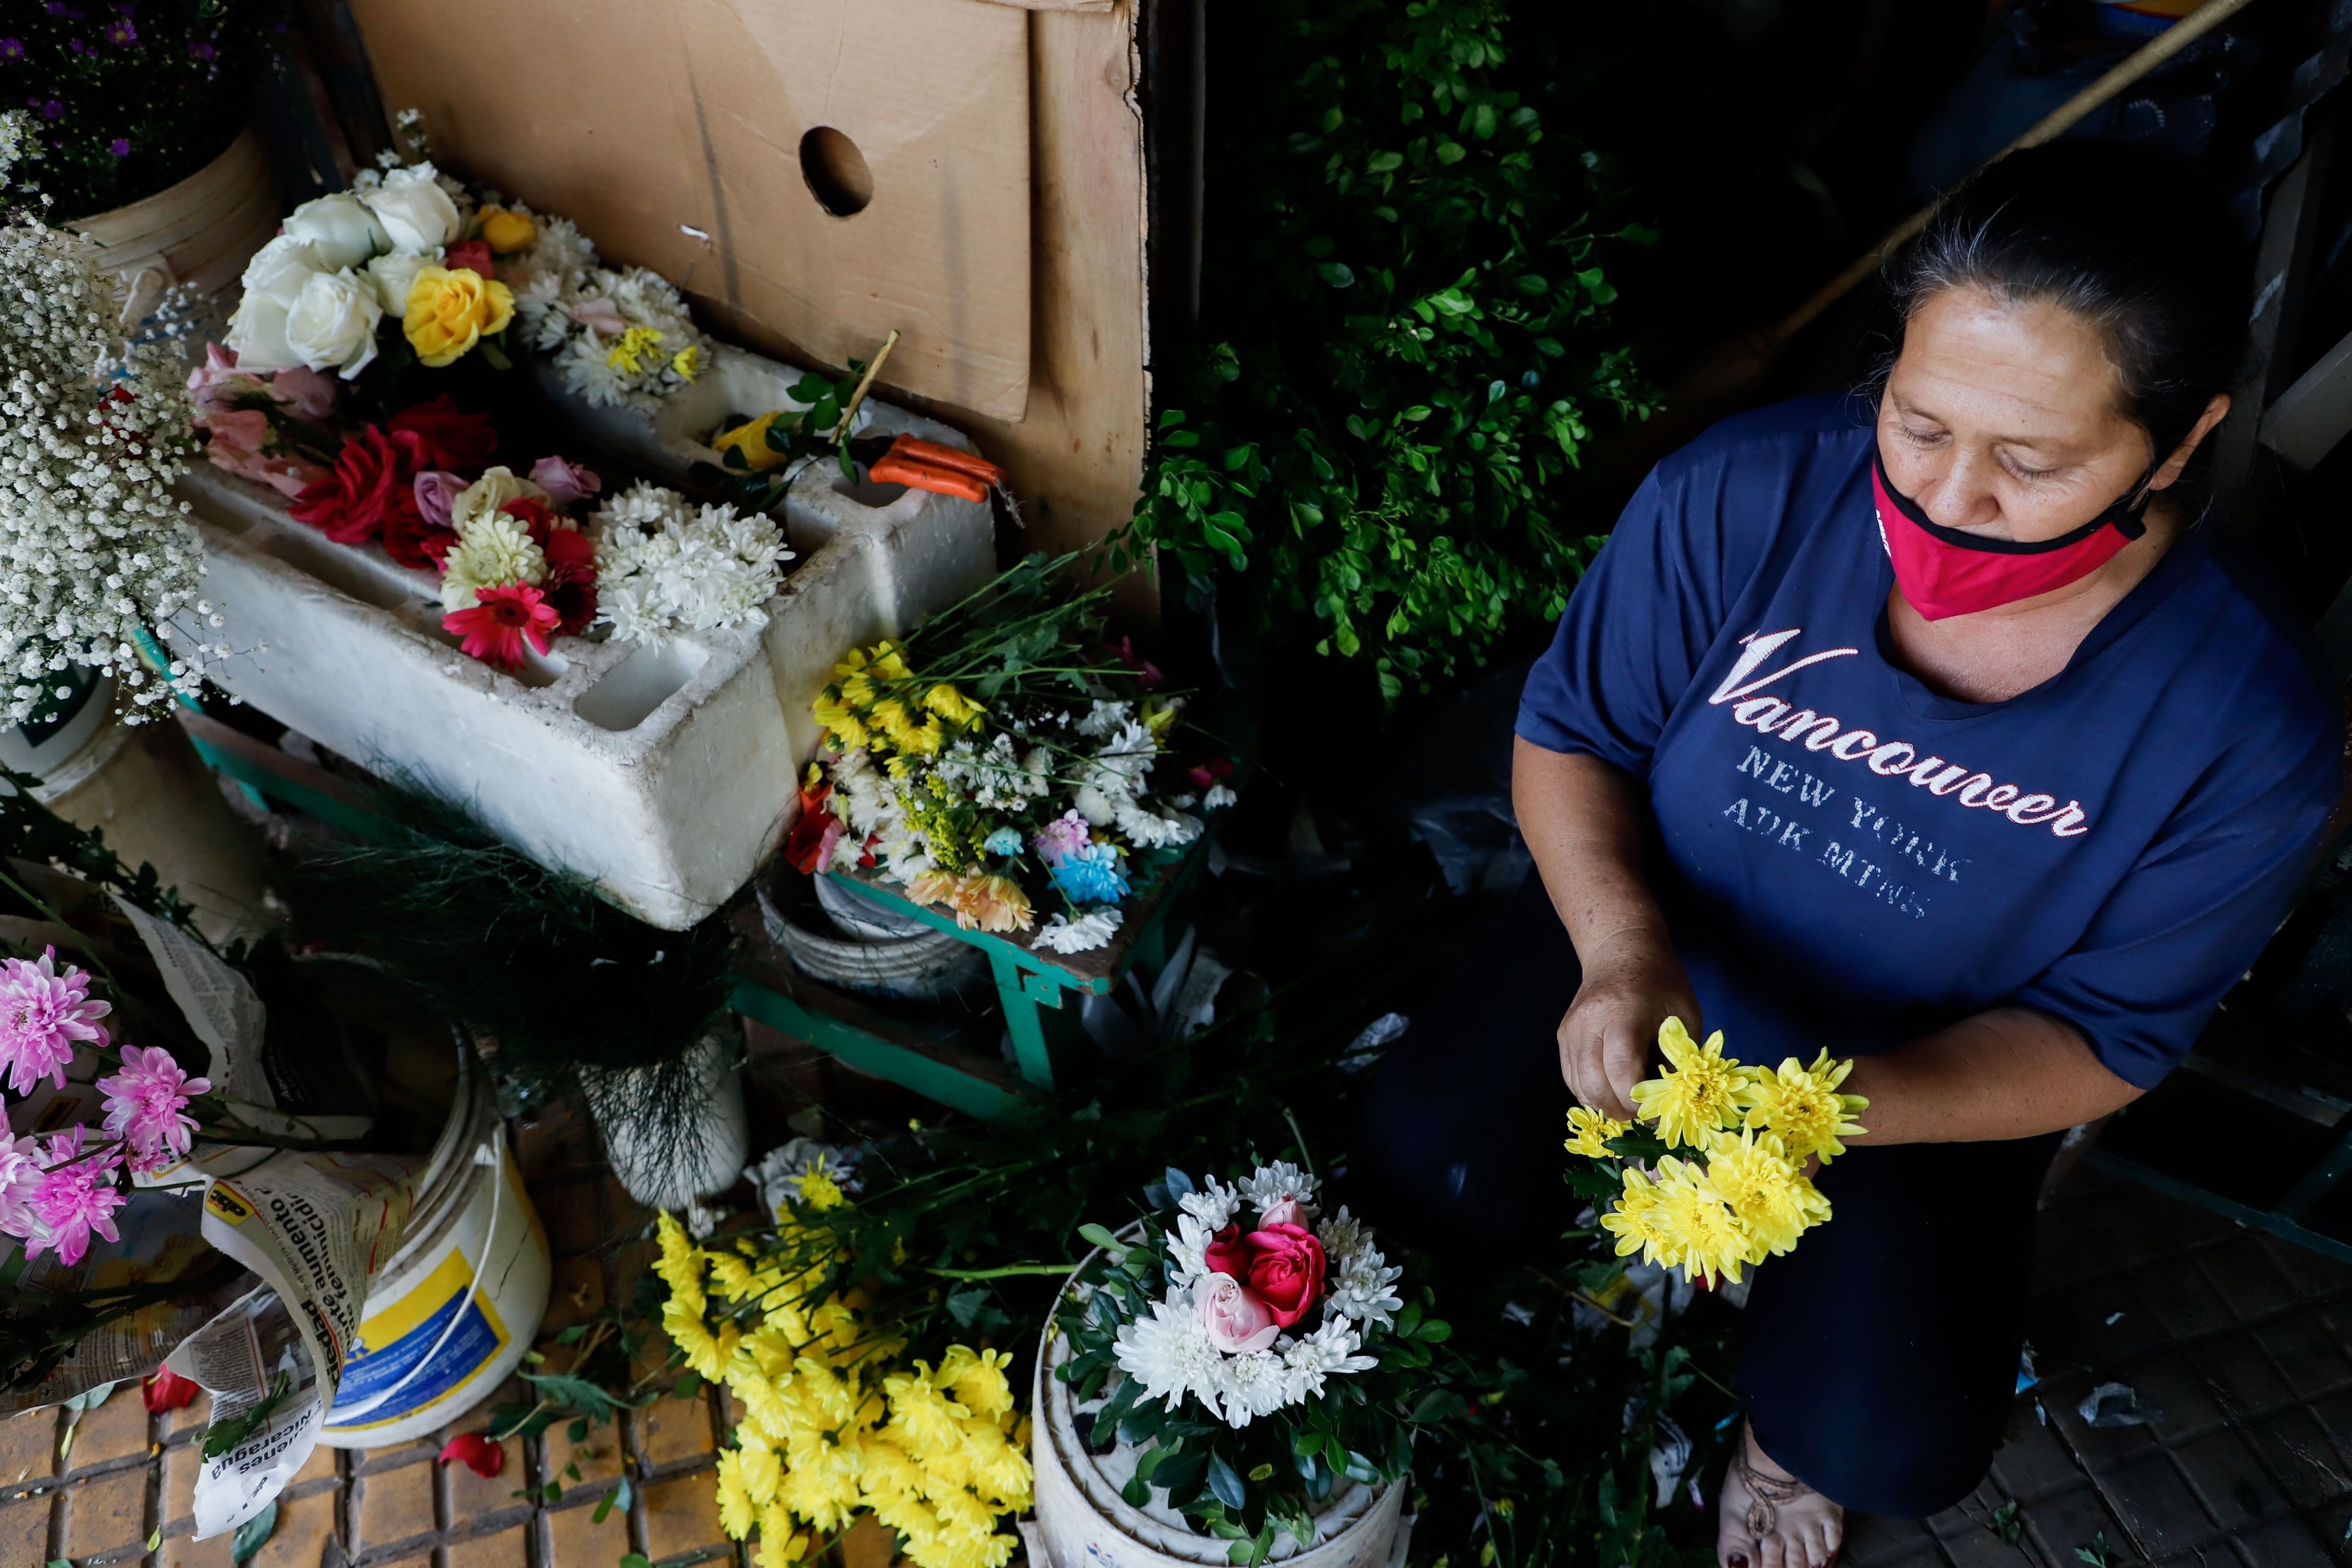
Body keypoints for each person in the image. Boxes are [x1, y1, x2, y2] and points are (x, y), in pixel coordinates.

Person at [1511, 141, 2341, 1568]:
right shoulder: (1746, 495)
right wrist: (1619, 953)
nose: (1948, 498)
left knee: (1889, 1443)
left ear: (2184, 439)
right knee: (1425, 1165)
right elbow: (1572, 732)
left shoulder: (2242, 727)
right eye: (1916, 423)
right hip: (1654, 955)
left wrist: (1825, 1116)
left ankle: (1775, 1446)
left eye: (2027, 462)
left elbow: (2102, 1036)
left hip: (1922, 1075)